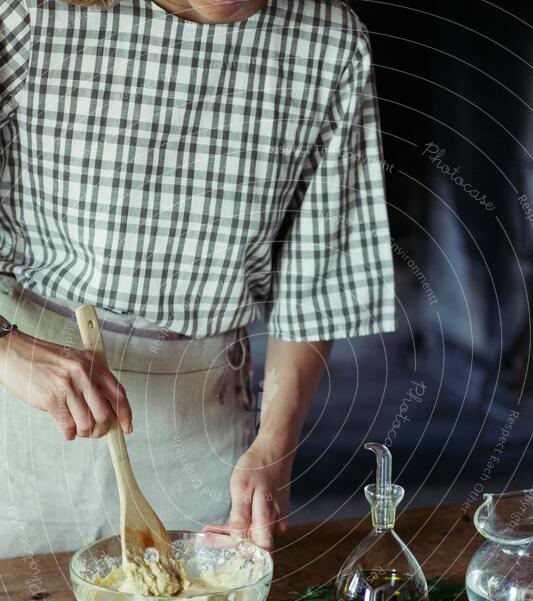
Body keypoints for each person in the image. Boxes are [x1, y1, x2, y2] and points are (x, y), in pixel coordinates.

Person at [0, 0, 395, 558]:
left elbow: (317, 283)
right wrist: (7, 350)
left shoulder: (332, 43)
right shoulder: (32, 12)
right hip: (20, 413)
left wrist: (274, 443)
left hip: (201, 428)